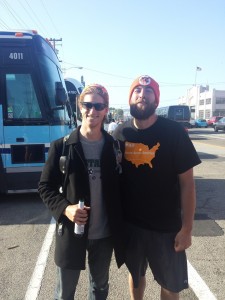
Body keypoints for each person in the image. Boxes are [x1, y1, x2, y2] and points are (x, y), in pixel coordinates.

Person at [113, 75, 201, 300]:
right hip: (131, 225)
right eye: (137, 92)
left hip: (167, 228)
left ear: (156, 100)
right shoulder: (120, 134)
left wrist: (187, 228)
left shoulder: (174, 133)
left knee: (170, 285)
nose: (142, 96)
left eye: (148, 92)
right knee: (135, 274)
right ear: (131, 98)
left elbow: (187, 184)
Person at [38, 84, 124, 300]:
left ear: (106, 110)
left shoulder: (114, 147)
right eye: (87, 105)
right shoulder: (62, 147)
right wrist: (65, 209)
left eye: (98, 106)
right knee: (64, 293)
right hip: (71, 232)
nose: (92, 111)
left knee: (99, 289)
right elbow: (45, 186)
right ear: (79, 107)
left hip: (104, 235)